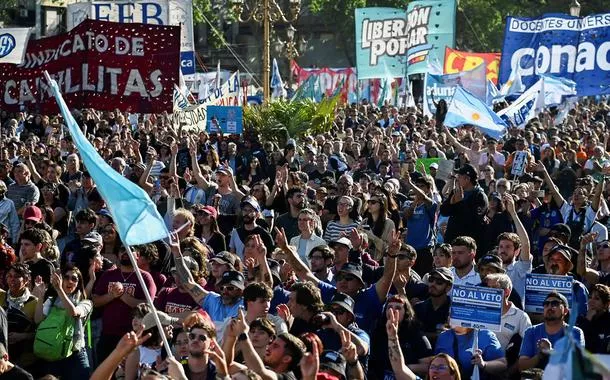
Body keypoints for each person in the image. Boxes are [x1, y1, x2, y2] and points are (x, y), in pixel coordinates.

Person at [92, 245, 157, 364]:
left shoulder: (145, 277)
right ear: (118, 255)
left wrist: (122, 295)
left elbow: (148, 305)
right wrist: (112, 295)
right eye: (122, 250)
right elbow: (95, 301)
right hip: (107, 336)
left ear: (137, 256)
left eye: (130, 250)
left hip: (132, 337)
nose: (125, 252)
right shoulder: (108, 275)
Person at [32, 265, 92, 379]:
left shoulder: (85, 302)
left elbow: (73, 312)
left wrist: (59, 289)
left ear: (78, 284)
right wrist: (41, 295)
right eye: (66, 277)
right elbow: (38, 320)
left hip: (75, 356)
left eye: (74, 279)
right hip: (53, 353)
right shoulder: (52, 300)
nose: (70, 281)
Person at [518, 291, 585, 371]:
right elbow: (522, 366)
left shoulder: (575, 332)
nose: (550, 307)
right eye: (546, 304)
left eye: (555, 304)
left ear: (565, 311)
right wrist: (540, 355)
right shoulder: (531, 332)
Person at [440, 164, 488, 253]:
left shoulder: (480, 196)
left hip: (467, 246)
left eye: (459, 177)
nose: (457, 179)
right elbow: (443, 211)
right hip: (452, 242)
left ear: (467, 179)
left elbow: (473, 219)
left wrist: (459, 203)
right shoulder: (456, 191)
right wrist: (452, 202)